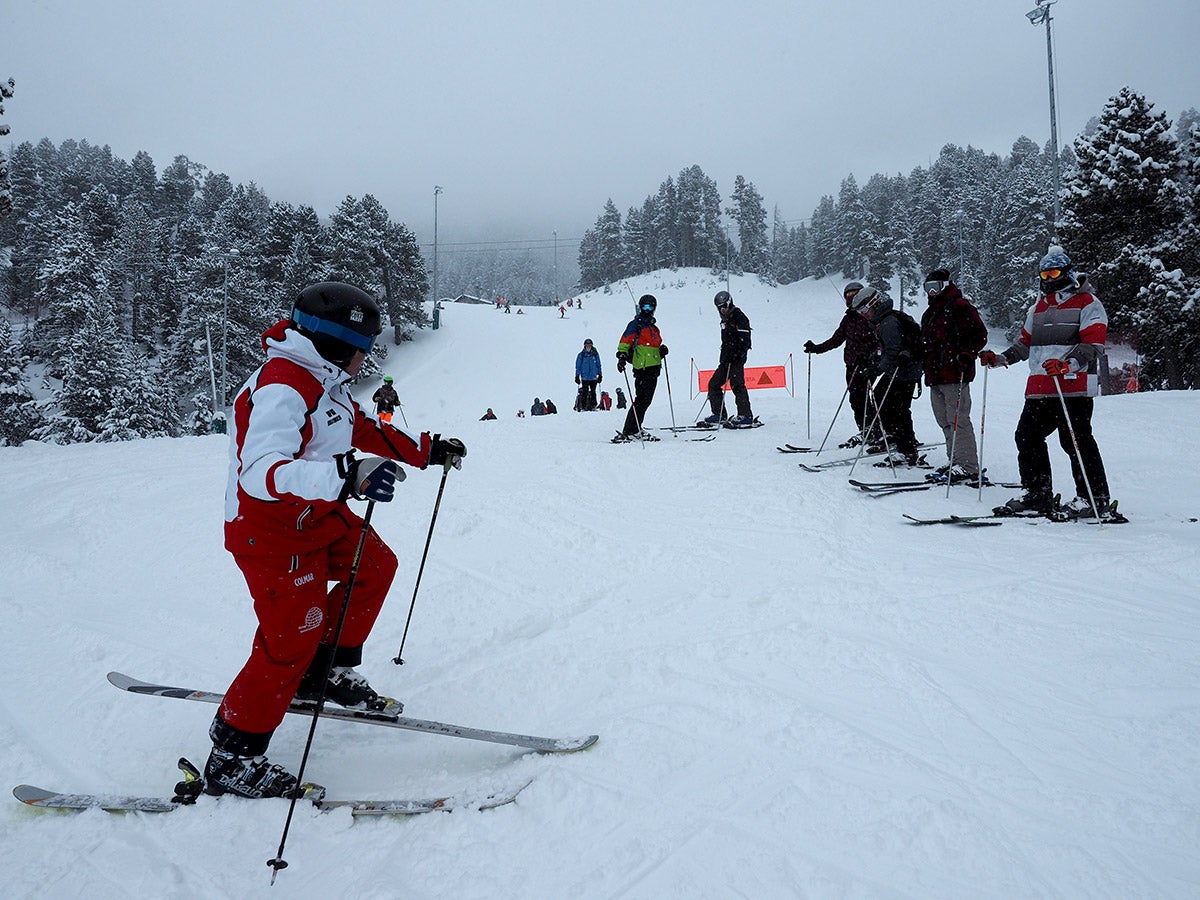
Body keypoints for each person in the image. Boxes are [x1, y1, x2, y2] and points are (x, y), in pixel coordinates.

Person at [207, 281, 466, 799]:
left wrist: (426, 449)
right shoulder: (283, 386)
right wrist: (345, 477)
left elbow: (359, 428)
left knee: (374, 567)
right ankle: (233, 755)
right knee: (289, 641)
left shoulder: (323, 380)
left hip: (317, 516)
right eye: (360, 350)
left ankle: (322, 673)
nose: (364, 362)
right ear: (333, 343)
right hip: (272, 533)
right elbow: (261, 471)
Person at [980, 246, 1115, 519]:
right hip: (1040, 388)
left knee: (1075, 441)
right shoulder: (1038, 307)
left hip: (1072, 387)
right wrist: (999, 358)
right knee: (1026, 436)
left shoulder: (1088, 303)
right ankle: (1037, 493)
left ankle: (1094, 498)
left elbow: (1094, 344)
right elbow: (1024, 345)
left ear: (1067, 273)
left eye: (1054, 272)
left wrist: (1069, 364)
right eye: (1044, 273)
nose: (1048, 278)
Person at [920, 269, 989, 483]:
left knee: (958, 419)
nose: (932, 292)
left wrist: (967, 354)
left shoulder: (960, 307)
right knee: (944, 420)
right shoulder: (930, 313)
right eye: (928, 288)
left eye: (936, 287)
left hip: (955, 372)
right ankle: (955, 460)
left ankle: (968, 465)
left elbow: (979, 334)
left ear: (946, 285)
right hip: (935, 374)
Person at [850, 287, 924, 466]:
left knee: (895, 408)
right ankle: (899, 441)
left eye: (864, 310)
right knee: (885, 402)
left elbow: (892, 352)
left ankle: (906, 449)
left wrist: (876, 370)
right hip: (899, 370)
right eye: (860, 312)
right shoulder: (882, 320)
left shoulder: (888, 322)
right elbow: (883, 350)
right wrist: (870, 360)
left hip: (905, 371)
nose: (863, 315)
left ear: (874, 304)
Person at [804, 282, 880, 447]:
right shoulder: (848, 318)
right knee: (855, 399)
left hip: (867, 365)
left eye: (855, 294)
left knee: (863, 398)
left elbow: (879, 342)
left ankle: (875, 431)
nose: (852, 298)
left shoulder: (870, 316)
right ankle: (867, 430)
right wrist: (816, 348)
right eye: (849, 295)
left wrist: (870, 358)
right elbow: (836, 339)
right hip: (851, 365)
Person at [613, 293, 667, 442]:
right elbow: (624, 342)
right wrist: (622, 356)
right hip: (642, 368)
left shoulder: (654, 328)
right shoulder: (635, 325)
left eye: (650, 306)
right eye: (645, 306)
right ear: (640, 307)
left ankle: (635, 428)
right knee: (641, 400)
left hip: (654, 368)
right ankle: (631, 429)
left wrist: (661, 351)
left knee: (645, 400)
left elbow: (653, 348)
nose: (647, 309)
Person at [702, 290, 755, 426]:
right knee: (713, 384)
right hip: (726, 360)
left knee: (737, 385)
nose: (722, 309)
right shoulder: (725, 320)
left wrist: (736, 353)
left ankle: (745, 415)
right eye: (720, 308)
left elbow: (745, 341)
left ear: (730, 303)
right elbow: (726, 341)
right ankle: (719, 414)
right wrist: (726, 355)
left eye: (724, 306)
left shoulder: (739, 317)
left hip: (736, 359)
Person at [575, 338, 603, 411]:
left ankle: (593, 406)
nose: (588, 346)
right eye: (587, 345)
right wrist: (577, 375)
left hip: (593, 376)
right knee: (585, 391)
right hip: (585, 377)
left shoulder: (595, 354)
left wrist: (600, 374)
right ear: (584, 345)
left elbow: (598, 364)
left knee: (593, 391)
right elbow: (578, 366)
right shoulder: (581, 355)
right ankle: (583, 407)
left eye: (589, 344)